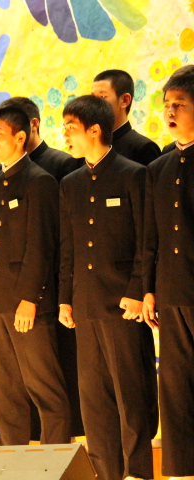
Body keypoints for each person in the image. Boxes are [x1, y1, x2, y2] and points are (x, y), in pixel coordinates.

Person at [59, 95, 153, 480]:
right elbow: (68, 247)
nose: (65, 135)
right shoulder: (70, 183)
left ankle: (137, 473)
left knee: (130, 394)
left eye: (70, 127)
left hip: (123, 303)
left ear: (95, 130)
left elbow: (146, 240)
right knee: (93, 399)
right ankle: (105, 472)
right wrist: (65, 299)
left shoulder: (133, 174)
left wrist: (138, 289)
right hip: (85, 303)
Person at [0, 106, 71, 446]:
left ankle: (56, 456)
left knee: (43, 386)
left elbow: (41, 246)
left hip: (27, 302)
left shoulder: (40, 181)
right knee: (5, 391)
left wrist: (30, 298)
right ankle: (12, 459)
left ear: (19, 137)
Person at [0, 95, 84, 440]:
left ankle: (61, 449)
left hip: (49, 292)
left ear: (28, 128)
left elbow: (51, 239)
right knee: (9, 387)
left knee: (53, 378)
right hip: (7, 297)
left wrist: (42, 294)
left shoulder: (58, 166)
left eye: (1, 132)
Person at [142, 66, 194, 480]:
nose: (170, 111)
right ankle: (180, 471)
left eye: (180, 104)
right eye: (166, 104)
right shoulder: (158, 168)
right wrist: (148, 290)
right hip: (172, 290)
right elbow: (151, 237)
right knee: (175, 385)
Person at [92, 69, 161, 166]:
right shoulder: (88, 145)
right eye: (93, 97)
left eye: (103, 96)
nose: (94, 103)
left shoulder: (144, 148)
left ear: (125, 100)